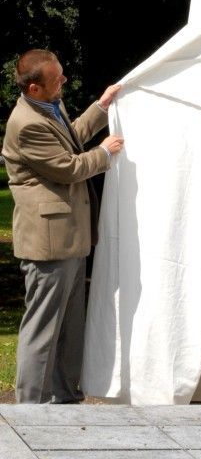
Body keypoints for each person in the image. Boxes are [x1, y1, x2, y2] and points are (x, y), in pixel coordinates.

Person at [1, 49, 124, 403]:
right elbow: (68, 167)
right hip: (48, 241)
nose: (64, 82)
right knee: (42, 329)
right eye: (57, 79)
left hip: (69, 237)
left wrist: (101, 107)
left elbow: (72, 136)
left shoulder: (48, 106)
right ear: (34, 87)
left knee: (69, 327)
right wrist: (105, 153)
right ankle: (29, 408)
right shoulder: (26, 124)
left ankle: (65, 398)